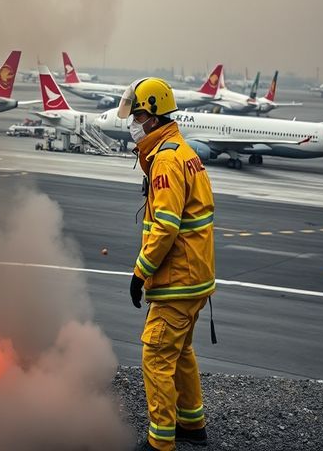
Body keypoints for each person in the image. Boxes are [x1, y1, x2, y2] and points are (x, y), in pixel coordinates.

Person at [117, 78, 216, 451]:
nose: (134, 123)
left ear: (155, 116)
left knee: (156, 354)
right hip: (197, 279)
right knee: (182, 352)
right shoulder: (183, 152)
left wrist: (140, 272)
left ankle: (161, 441)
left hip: (178, 279)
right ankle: (193, 425)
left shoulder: (166, 161)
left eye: (139, 115)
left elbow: (166, 226)